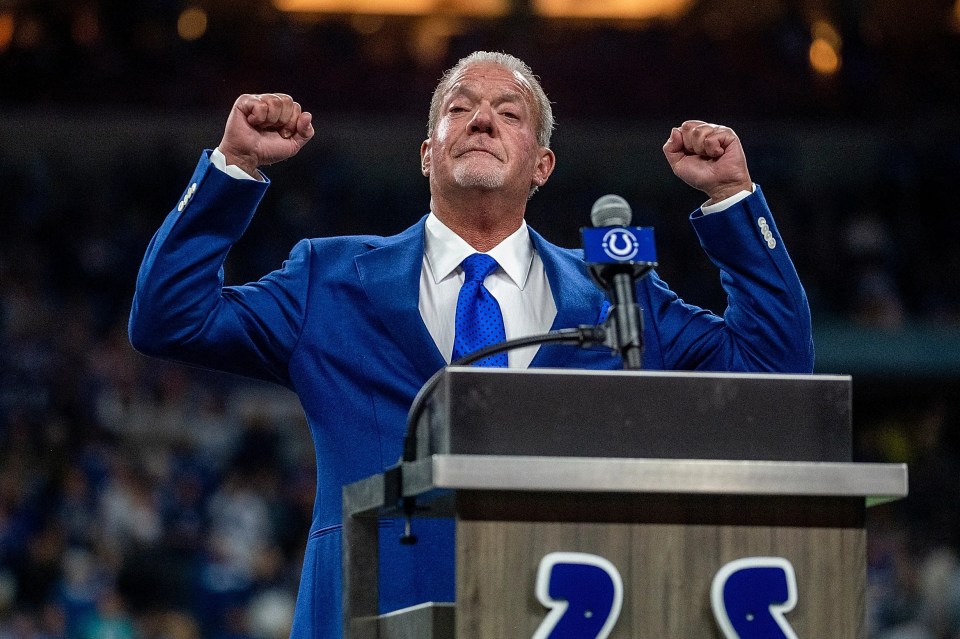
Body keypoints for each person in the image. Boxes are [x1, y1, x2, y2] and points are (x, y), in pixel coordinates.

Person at [129, 51, 814, 637]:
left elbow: (774, 368)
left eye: (509, 113)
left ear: (541, 165)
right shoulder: (329, 279)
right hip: (368, 615)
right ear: (428, 152)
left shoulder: (620, 295)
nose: (483, 118)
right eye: (459, 109)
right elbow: (167, 316)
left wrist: (732, 198)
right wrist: (235, 168)